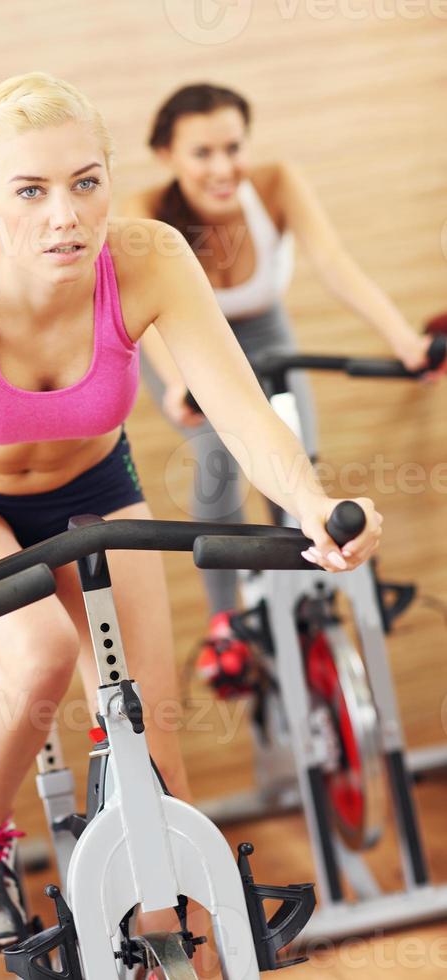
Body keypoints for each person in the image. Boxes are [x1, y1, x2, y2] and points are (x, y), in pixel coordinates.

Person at [0, 72, 382, 955]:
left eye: (85, 182)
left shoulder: (149, 256)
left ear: (109, 175)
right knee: (41, 653)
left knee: (157, 755)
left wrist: (313, 505)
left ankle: (159, 954)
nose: (65, 214)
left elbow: (244, 412)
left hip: (95, 494)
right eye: (30, 190)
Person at [121, 82, 438, 685]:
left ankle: (309, 592)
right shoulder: (145, 213)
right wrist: (176, 381)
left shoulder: (276, 185)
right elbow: (149, 320)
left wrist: (406, 343)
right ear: (167, 155)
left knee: (295, 470)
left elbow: (336, 265)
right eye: (202, 153)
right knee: (218, 462)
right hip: (189, 347)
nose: (223, 168)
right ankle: (224, 627)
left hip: (270, 337)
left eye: (233, 147)